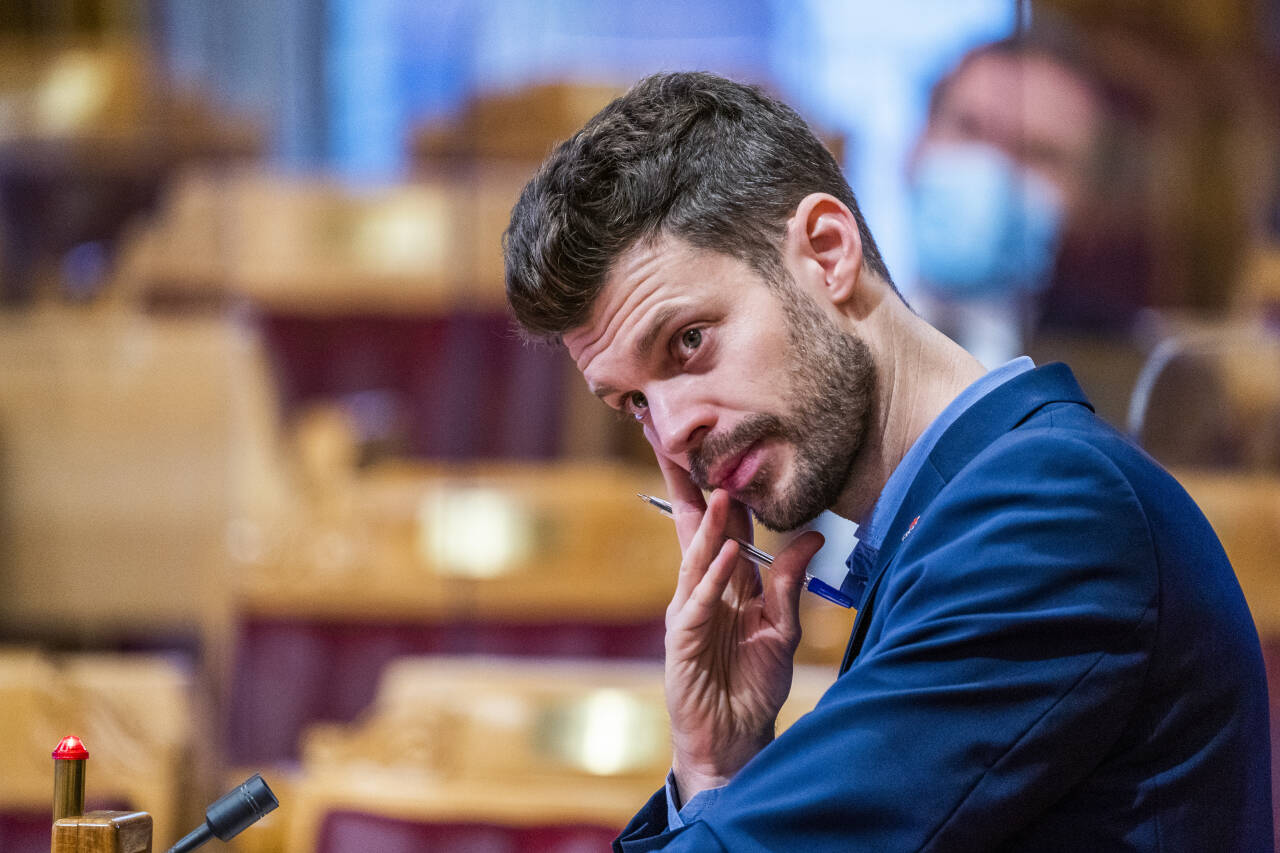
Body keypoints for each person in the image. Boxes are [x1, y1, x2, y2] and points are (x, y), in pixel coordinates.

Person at [502, 71, 1271, 851]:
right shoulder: (952, 518)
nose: (671, 432)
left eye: (689, 341)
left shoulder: (1051, 511)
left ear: (828, 253)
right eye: (632, 402)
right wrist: (714, 766)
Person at [907, 26, 1151, 368]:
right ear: (915, 146)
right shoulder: (823, 320)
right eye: (970, 129)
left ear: (1089, 202)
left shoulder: (1123, 364)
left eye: (1038, 154)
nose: (992, 172)